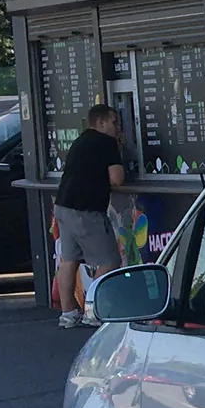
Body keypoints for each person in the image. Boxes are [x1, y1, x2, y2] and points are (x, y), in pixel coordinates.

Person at [53, 103, 128, 326]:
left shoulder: (81, 140)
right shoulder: (106, 142)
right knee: (110, 261)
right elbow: (117, 178)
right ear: (101, 122)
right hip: (86, 210)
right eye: (114, 122)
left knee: (69, 260)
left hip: (63, 206)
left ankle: (68, 313)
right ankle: (93, 311)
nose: (118, 127)